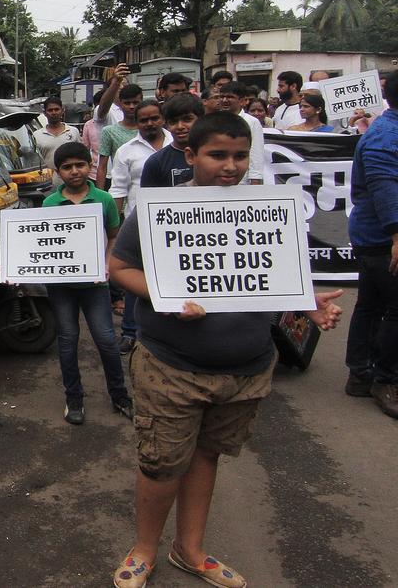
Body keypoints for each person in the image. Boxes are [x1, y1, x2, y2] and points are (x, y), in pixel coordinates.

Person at [108, 111, 344, 588]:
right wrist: (165, 295)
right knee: (160, 464)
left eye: (240, 155)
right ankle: (145, 549)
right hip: (171, 367)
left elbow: (277, 278)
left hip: (247, 368)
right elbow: (118, 267)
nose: (231, 166)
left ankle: (189, 549)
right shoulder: (159, 211)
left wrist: (309, 302)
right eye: (218, 155)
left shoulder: (269, 209)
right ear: (190, 155)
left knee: (206, 456)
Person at [42, 142, 133, 425]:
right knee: (67, 341)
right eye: (67, 167)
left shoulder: (104, 200)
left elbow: (114, 236)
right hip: (62, 287)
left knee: (106, 340)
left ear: (89, 166)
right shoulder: (49, 203)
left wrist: (107, 264)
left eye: (79, 165)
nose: (74, 172)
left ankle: (119, 395)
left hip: (95, 285)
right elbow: (41, 244)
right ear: (58, 172)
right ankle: (74, 397)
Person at [344, 69, 398, 418]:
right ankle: (386, 379)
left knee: (371, 304)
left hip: (378, 237)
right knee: (395, 308)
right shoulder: (386, 136)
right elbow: (385, 188)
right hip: (383, 239)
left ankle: (361, 374)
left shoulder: (385, 129)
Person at [109, 101, 167, 352]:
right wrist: (116, 226)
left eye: (154, 118)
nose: (150, 123)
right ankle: (131, 333)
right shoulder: (126, 151)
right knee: (135, 276)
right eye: (144, 120)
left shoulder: (181, 145)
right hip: (139, 223)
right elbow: (119, 190)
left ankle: (166, 333)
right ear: (137, 121)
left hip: (177, 226)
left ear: (162, 118)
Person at [140, 93, 203, 187]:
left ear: (201, 119)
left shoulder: (216, 155)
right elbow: (148, 200)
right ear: (166, 125)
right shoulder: (156, 162)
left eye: (187, 119)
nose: (180, 126)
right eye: (173, 122)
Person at [97, 84, 144, 188]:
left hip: (146, 188)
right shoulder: (109, 132)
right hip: (120, 187)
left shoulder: (148, 130)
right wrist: (100, 196)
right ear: (120, 104)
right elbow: (102, 167)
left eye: (135, 102)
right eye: (127, 103)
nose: (131, 106)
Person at [223, 81, 265, 183]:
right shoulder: (214, 120)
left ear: (242, 101)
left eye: (229, 97)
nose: (224, 100)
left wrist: (255, 181)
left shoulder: (252, 122)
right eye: (222, 96)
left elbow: (256, 154)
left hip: (242, 181)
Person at [33, 96, 82, 177]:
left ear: (62, 111)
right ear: (45, 113)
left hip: (71, 180)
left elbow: (80, 156)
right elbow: (35, 163)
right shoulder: (37, 135)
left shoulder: (73, 131)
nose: (54, 113)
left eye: (56, 109)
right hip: (47, 182)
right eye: (50, 110)